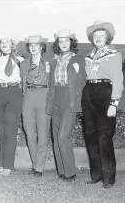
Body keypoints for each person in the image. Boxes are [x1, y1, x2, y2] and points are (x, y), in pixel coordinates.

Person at [82, 20, 123, 189]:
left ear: (108, 37)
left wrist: (114, 103)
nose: (98, 38)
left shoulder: (115, 54)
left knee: (104, 137)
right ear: (92, 38)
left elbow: (118, 80)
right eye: (95, 35)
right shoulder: (89, 56)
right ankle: (96, 175)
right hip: (89, 92)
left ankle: (108, 178)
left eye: (102, 35)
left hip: (106, 92)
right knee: (90, 136)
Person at [45, 29, 86, 182]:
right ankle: (61, 171)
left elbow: (83, 80)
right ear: (57, 44)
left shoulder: (79, 59)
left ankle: (70, 172)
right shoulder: (54, 61)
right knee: (56, 137)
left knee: (63, 136)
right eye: (60, 41)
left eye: (66, 40)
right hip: (55, 98)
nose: (63, 43)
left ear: (71, 43)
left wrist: (77, 96)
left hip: (69, 99)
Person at [0, 37, 24, 176]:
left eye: (7, 42)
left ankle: (8, 166)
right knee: (2, 131)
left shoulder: (20, 60)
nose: (4, 45)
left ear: (13, 45)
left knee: (10, 130)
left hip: (14, 93)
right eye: (2, 43)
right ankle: (3, 164)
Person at [20, 35, 52, 177]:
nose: (33, 47)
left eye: (36, 45)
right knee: (30, 133)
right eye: (30, 45)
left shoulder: (50, 62)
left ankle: (39, 167)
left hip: (44, 94)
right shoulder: (24, 64)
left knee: (43, 132)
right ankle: (35, 163)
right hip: (28, 95)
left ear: (41, 47)